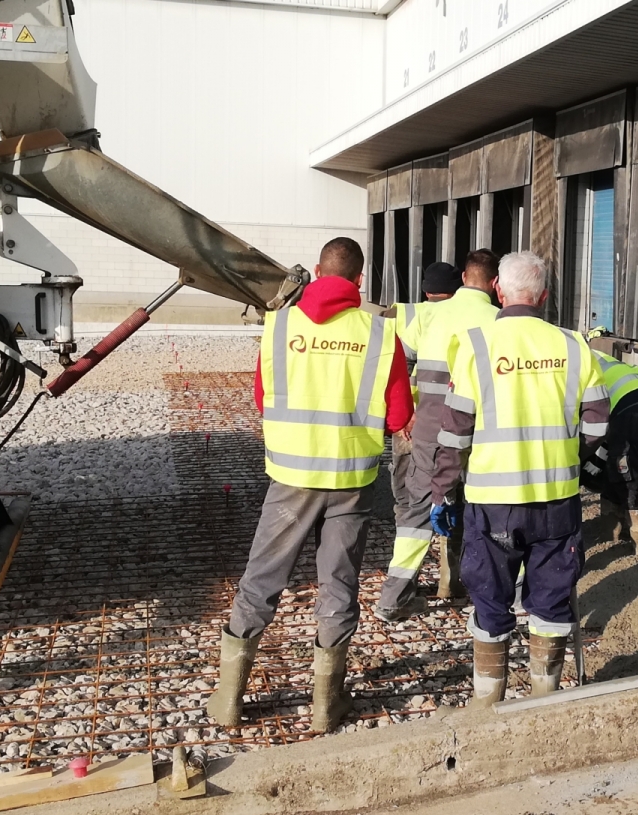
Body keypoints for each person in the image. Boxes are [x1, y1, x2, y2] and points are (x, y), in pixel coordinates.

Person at [209, 237, 413, 732]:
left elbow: (262, 398)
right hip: (352, 480)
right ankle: (326, 705)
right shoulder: (382, 335)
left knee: (263, 579)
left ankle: (229, 701)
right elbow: (400, 414)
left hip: (291, 479)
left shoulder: (279, 325)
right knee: (338, 583)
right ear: (360, 281)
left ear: (318, 272)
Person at [430, 251, 609, 706]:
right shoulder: (573, 345)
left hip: (492, 502)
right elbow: (597, 423)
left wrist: (442, 492)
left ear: (498, 291)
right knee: (550, 602)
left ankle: (489, 705)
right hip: (556, 499)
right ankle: (543, 702)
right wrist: (569, 458)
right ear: (544, 296)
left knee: (491, 599)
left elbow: (455, 432)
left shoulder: (476, 345)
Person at [376, 250, 501, 621]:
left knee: (415, 512)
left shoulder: (428, 314)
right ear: (495, 284)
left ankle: (393, 597)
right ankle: (485, 592)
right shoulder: (500, 321)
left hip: (430, 429)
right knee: (484, 509)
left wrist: (402, 414)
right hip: (482, 431)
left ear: (463, 277)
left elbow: (396, 358)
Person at [581, 350, 638, 555]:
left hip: (631, 402)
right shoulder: (589, 355)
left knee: (623, 467)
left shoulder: (574, 364)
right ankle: (614, 528)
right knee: (614, 461)